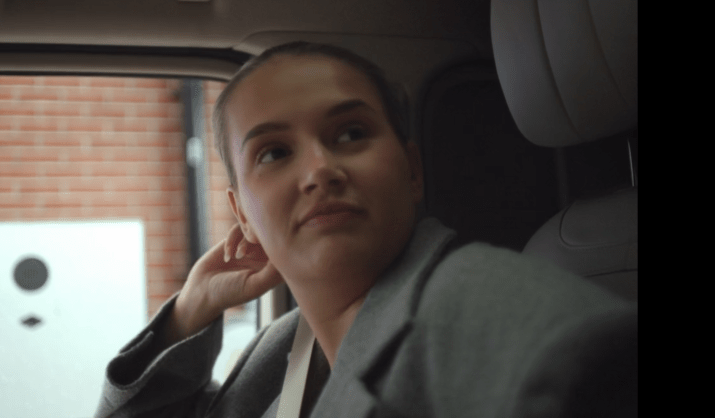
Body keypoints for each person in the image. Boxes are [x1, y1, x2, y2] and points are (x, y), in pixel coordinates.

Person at [95, 42, 637, 418]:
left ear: (413, 170)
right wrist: (192, 311)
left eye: (351, 133)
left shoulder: (531, 333)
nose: (319, 170)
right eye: (275, 152)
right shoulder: (279, 349)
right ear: (242, 215)